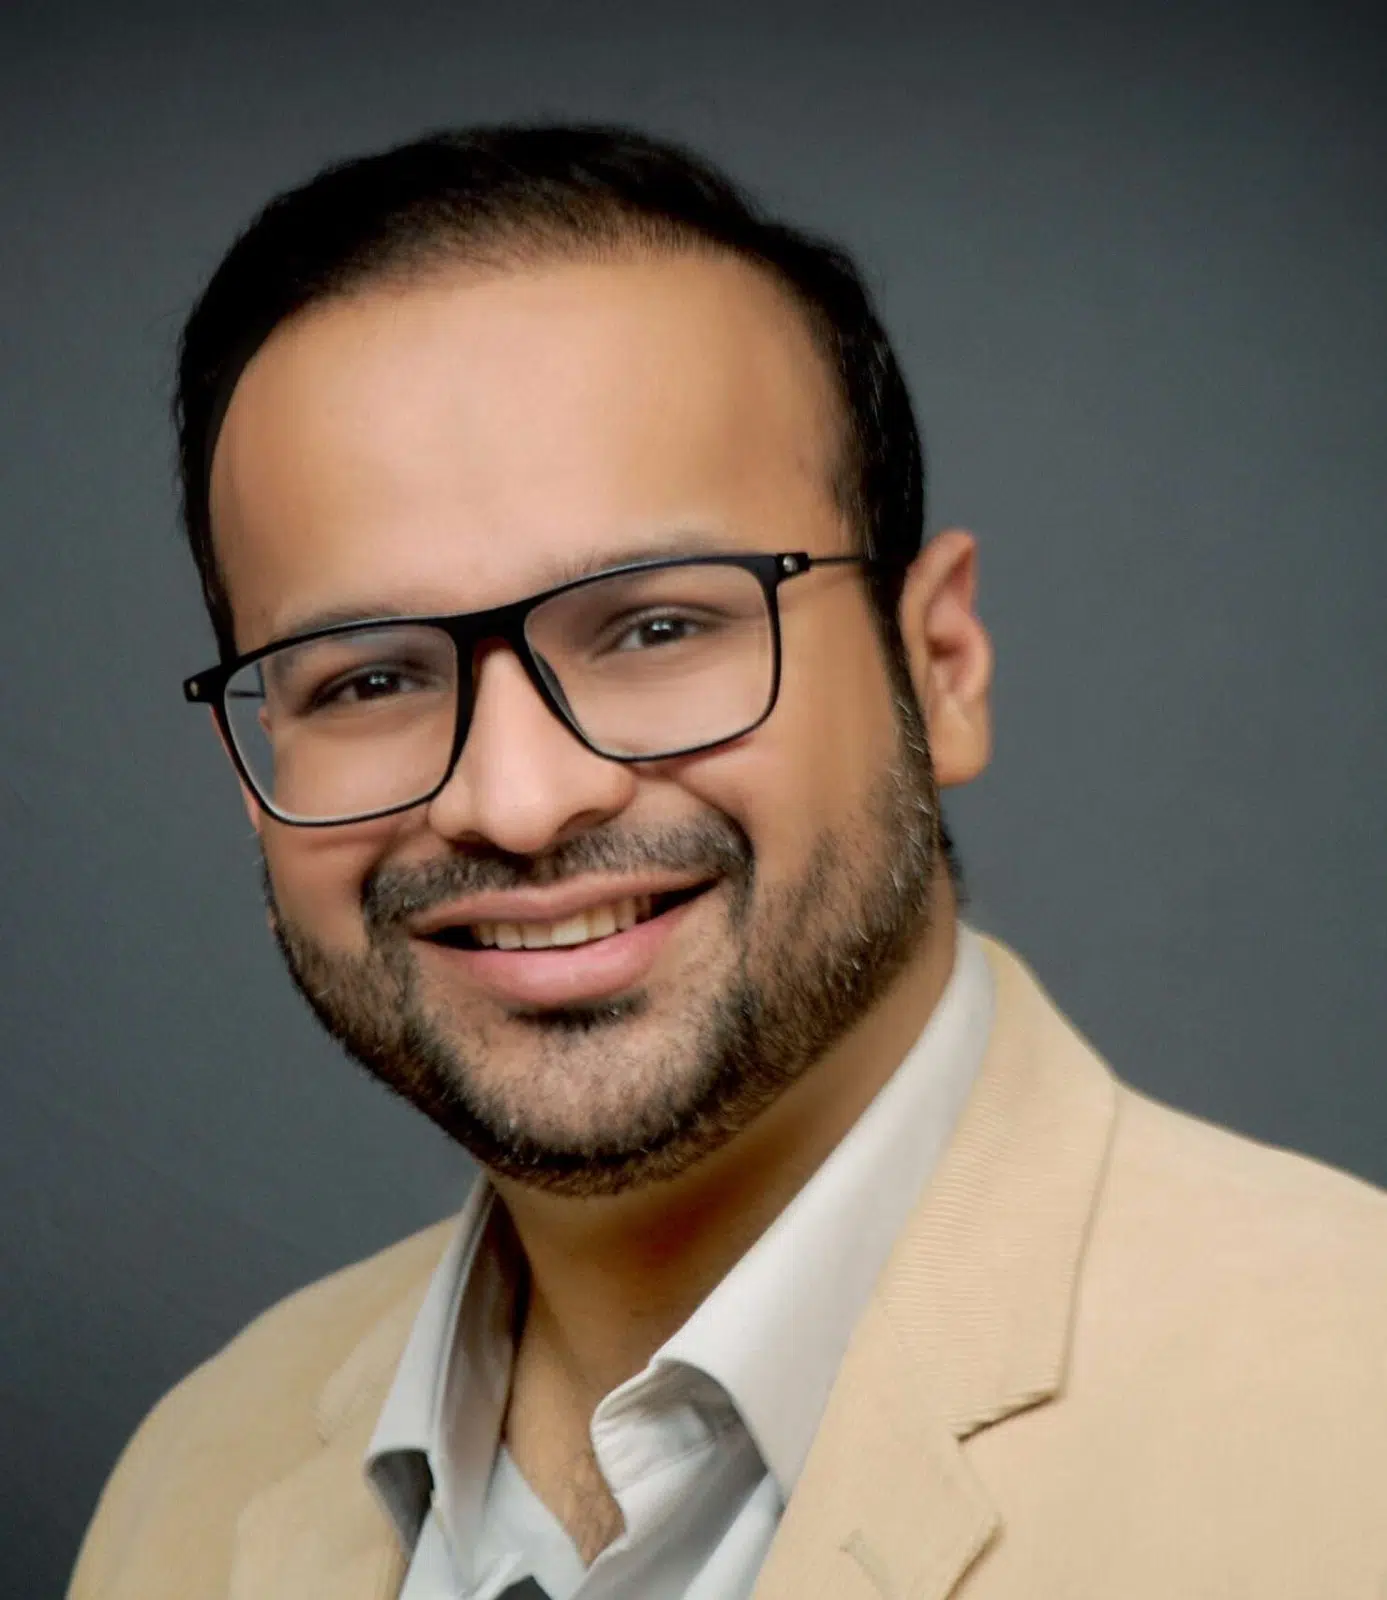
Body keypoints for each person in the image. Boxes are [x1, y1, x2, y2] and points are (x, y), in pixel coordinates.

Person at [70, 124, 1387, 1600]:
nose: (519, 802)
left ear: (940, 666)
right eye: (369, 679)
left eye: (655, 627)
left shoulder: (1356, 1427)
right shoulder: (190, 1487)